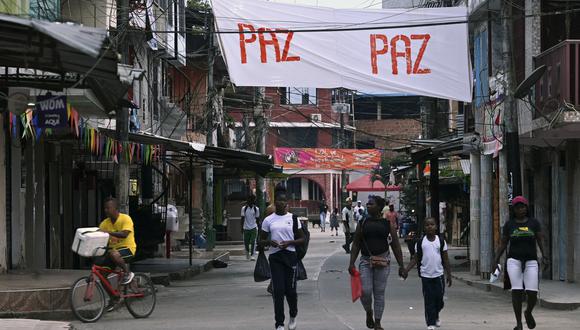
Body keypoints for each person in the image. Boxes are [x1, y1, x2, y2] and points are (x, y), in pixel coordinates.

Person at [348, 196, 406, 330]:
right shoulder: (362, 223)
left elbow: (396, 246)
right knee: (365, 290)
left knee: (379, 292)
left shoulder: (387, 224)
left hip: (383, 261)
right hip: (365, 261)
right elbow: (356, 244)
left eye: (371, 204)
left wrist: (401, 266)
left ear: (379, 207)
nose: (368, 206)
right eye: (367, 204)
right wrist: (351, 263)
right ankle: (369, 312)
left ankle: (378, 322)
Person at [494, 196, 548, 330]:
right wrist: (495, 261)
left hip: (531, 261)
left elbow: (540, 240)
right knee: (517, 291)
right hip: (514, 261)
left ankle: (528, 312)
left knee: (532, 292)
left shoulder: (534, 223)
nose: (520, 209)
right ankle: (518, 323)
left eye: (523, 206)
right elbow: (503, 243)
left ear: (526, 208)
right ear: (514, 210)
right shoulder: (509, 225)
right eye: (517, 207)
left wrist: (545, 256)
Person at [259, 185, 305, 330]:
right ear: (274, 202)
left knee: (290, 291)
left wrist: (290, 242)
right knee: (278, 290)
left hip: (290, 256)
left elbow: (302, 238)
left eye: (283, 201)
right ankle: (279, 323)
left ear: (287, 203)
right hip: (275, 257)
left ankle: (293, 315)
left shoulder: (293, 218)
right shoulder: (268, 220)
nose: (281, 203)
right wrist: (269, 242)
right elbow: (260, 241)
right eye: (278, 200)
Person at [405, 218, 452, 330]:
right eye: (427, 225)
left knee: (439, 300)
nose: (430, 227)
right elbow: (415, 258)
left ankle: (436, 315)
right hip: (426, 276)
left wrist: (449, 274)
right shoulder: (421, 242)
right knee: (429, 300)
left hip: (439, 275)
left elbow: (445, 259)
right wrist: (406, 270)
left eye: (432, 224)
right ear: (424, 228)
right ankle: (430, 322)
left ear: (436, 226)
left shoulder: (440, 241)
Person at [98, 197, 136, 285]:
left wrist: (108, 232)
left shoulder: (125, 219)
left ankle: (128, 272)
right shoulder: (104, 223)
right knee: (102, 276)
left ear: (116, 209)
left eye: (108, 208)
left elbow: (124, 234)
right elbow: (100, 237)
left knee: (113, 253)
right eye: (105, 208)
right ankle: (114, 297)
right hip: (113, 253)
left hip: (128, 249)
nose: (106, 210)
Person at [241, 195, 260, 261]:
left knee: (253, 241)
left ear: (253, 201)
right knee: (246, 242)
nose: (250, 201)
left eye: (252, 200)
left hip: (254, 227)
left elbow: (257, 219)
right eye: (249, 200)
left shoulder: (256, 209)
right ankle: (247, 253)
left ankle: (252, 255)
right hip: (246, 227)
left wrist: (259, 228)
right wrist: (241, 228)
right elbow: (242, 218)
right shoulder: (244, 208)